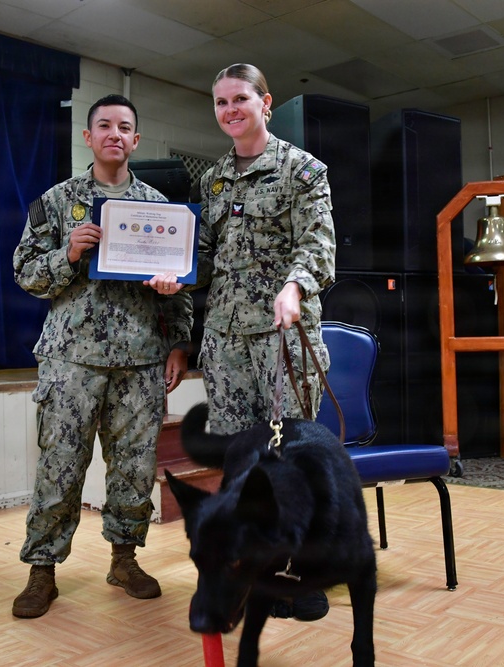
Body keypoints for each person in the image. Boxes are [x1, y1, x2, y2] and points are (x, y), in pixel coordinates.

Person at [11, 94, 193, 619]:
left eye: (126, 127)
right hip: (72, 358)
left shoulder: (160, 210)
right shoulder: (57, 201)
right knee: (59, 466)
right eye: (105, 126)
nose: (115, 134)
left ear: (136, 141)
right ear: (88, 137)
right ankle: (42, 570)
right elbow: (25, 274)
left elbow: (179, 288)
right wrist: (67, 252)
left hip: (139, 359)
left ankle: (124, 558)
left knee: (135, 468)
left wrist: (177, 341)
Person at [197, 63, 338, 620]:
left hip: (284, 336)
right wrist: (170, 273)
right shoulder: (212, 180)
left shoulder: (303, 170)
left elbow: (319, 243)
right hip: (225, 342)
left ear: (265, 102)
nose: (230, 110)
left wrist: (294, 286)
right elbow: (205, 258)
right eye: (221, 102)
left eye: (240, 99)